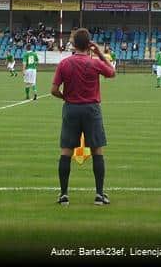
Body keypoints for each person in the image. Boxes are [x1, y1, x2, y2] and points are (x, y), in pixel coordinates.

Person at [51, 28, 116, 206]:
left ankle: (64, 195)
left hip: (71, 109)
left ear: (73, 44)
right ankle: (99, 195)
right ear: (89, 44)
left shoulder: (64, 64)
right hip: (91, 109)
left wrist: (67, 98)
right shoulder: (94, 63)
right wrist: (100, 54)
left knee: (66, 151)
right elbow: (112, 72)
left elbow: (54, 90)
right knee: (96, 150)